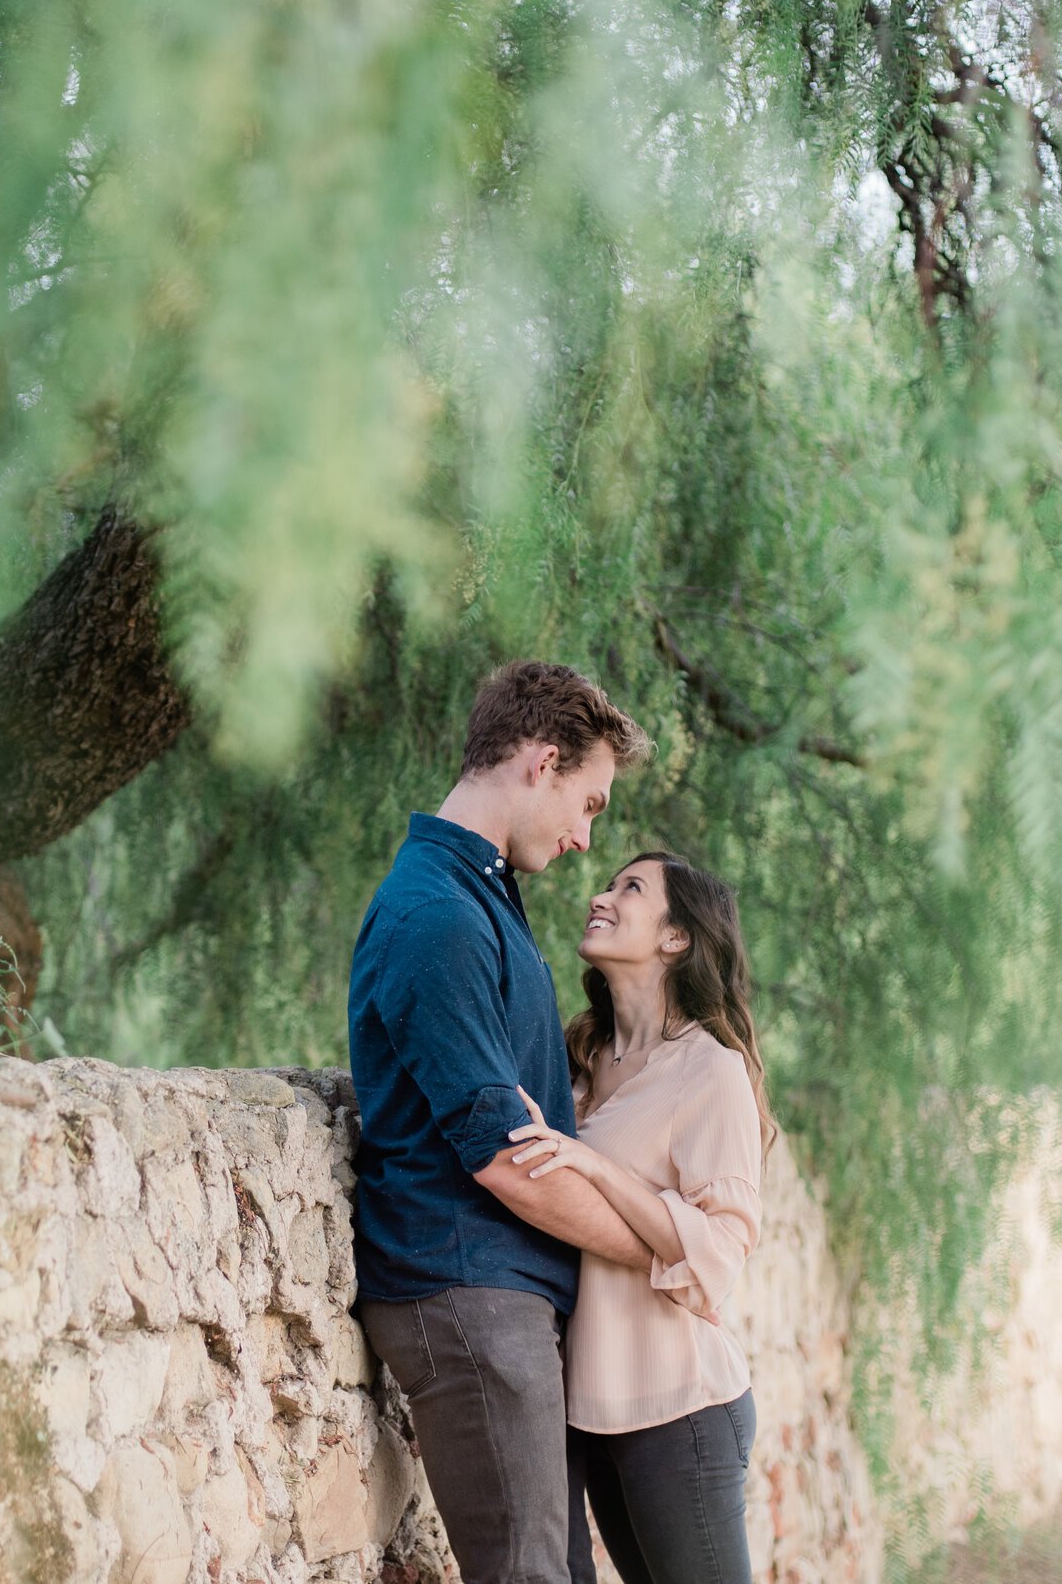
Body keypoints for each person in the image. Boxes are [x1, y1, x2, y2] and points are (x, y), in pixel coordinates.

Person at [348, 660, 655, 1584]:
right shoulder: (437, 913)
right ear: (541, 760)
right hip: (469, 1292)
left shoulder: (480, 897)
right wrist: (656, 1250)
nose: (582, 839)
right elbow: (507, 1160)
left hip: (505, 1296)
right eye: (589, 804)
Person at [505, 853, 776, 1584]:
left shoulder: (708, 1070)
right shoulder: (579, 1055)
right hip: (592, 1413)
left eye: (630, 888)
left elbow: (720, 1253)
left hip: (681, 1409)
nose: (602, 895)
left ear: (677, 937)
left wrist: (593, 1164)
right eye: (610, 883)